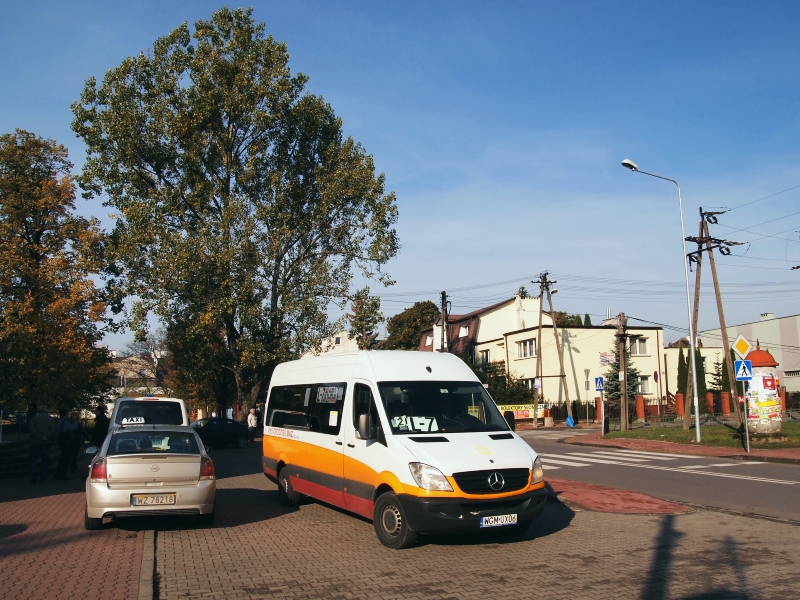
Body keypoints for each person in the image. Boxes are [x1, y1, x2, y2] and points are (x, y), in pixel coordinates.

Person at [28, 405, 55, 483]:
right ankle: (43, 477)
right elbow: (52, 429)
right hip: (46, 442)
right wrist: (46, 436)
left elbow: (32, 429)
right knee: (45, 460)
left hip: (35, 442)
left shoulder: (34, 419)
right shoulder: (50, 419)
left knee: (33, 460)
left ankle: (33, 475)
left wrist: (39, 437)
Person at [54, 408, 78, 480]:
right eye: (67, 414)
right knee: (65, 458)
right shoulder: (65, 422)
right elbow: (73, 427)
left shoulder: (60, 422)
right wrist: (75, 421)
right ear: (64, 415)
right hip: (66, 441)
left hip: (61, 441)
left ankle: (58, 474)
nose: (68, 415)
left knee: (63, 458)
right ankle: (62, 474)